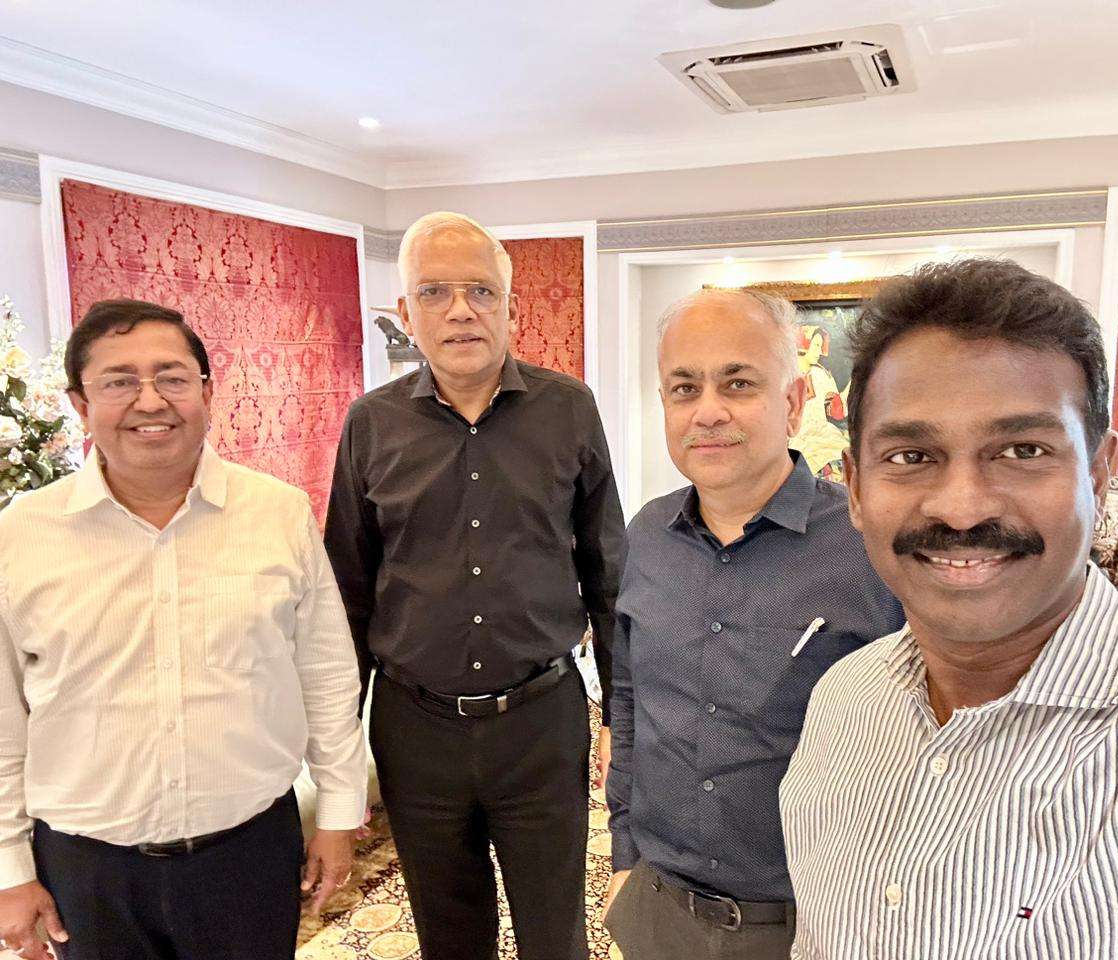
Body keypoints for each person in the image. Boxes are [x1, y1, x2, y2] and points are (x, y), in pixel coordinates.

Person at [780, 259, 1118, 959]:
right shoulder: (844, 699)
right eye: (912, 456)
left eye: (1022, 450)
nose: (961, 508)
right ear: (856, 489)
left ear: (1098, 475)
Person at [0, 299, 367, 960]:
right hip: (88, 870)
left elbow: (326, 674)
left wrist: (339, 813)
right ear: (80, 404)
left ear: (206, 392)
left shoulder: (277, 514)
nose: (150, 401)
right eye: (119, 381)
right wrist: (9, 869)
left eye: (171, 377)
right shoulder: (21, 534)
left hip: (249, 853)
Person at [324, 212, 624, 960]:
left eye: (481, 291)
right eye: (436, 292)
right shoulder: (370, 424)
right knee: (449, 935)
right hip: (414, 727)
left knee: (555, 934)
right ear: (407, 313)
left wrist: (623, 716)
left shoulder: (569, 409)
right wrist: (337, 754)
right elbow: (347, 592)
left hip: (541, 721)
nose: (461, 310)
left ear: (510, 308)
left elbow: (608, 574)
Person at [604, 289, 903, 960]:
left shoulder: (868, 546)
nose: (708, 411)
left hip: (814, 925)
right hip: (660, 910)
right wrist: (624, 853)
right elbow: (629, 697)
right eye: (684, 388)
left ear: (793, 403)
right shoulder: (647, 534)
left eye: (738, 384)